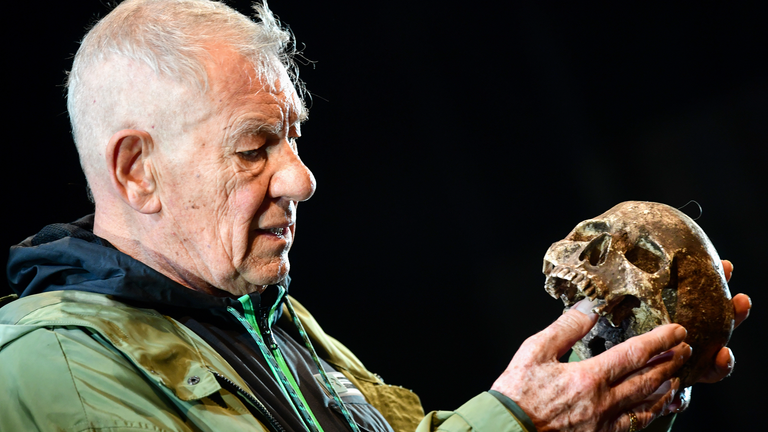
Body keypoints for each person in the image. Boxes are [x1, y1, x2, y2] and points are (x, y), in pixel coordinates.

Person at [0, 1, 751, 431]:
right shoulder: (47, 368)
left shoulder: (266, 323)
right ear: (138, 171)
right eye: (254, 147)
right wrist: (524, 424)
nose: (302, 178)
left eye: (292, 137)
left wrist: (612, 386)